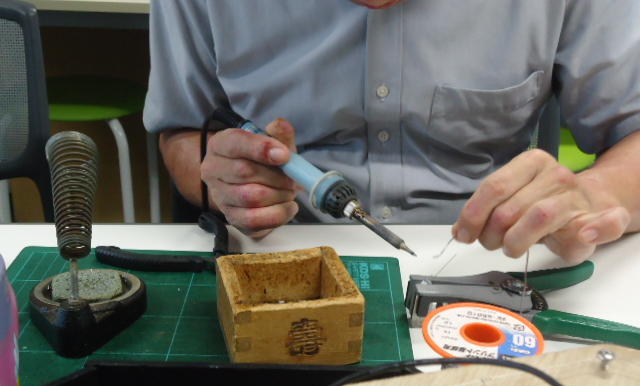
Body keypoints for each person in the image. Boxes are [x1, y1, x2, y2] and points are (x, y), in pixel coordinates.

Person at [143, 0, 640, 264]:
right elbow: (182, 129)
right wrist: (221, 181)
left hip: (488, 262)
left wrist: (592, 196)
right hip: (273, 252)